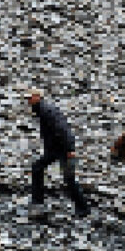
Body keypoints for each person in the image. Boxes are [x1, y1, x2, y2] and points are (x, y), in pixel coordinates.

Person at [26, 89, 90, 218]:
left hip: (63, 149)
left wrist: (70, 149)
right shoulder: (41, 109)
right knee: (37, 168)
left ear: (38, 97)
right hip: (55, 149)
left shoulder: (46, 110)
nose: (27, 100)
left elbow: (62, 129)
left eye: (30, 97)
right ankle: (37, 202)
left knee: (69, 178)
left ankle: (83, 208)